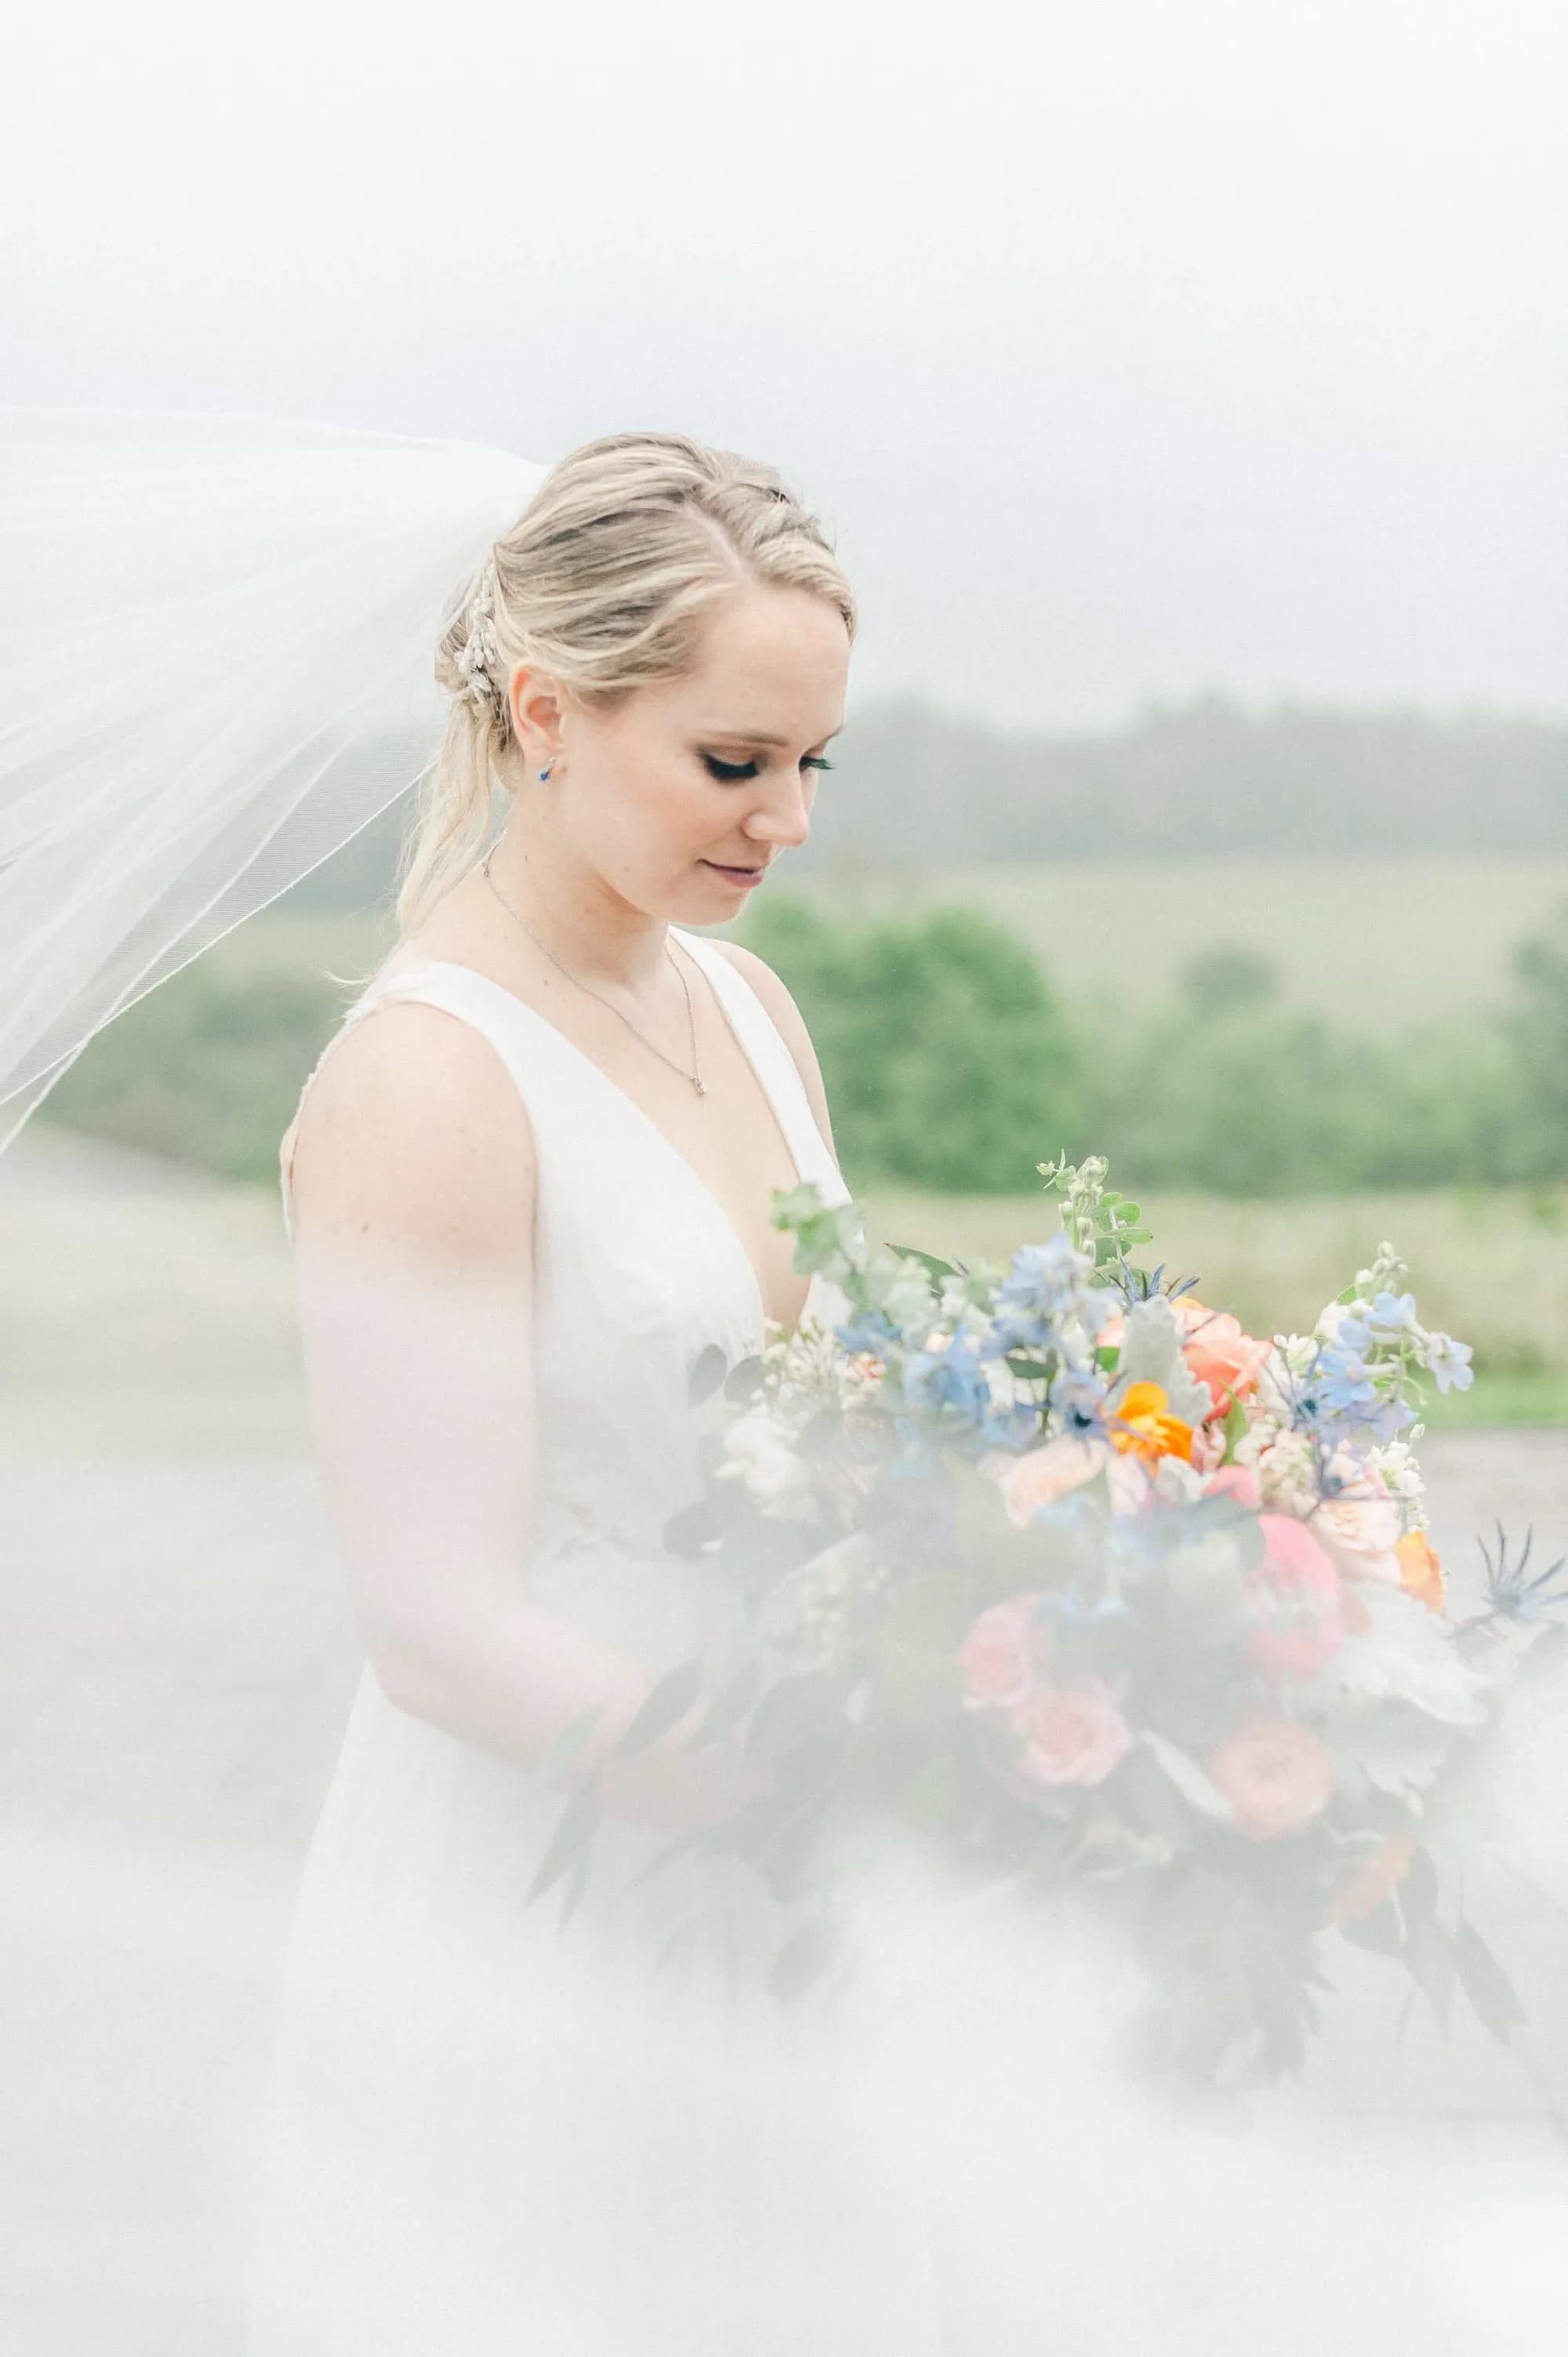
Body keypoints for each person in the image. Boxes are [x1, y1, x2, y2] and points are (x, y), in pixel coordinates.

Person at [246, 432, 950, 2354]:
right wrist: (819, 1793)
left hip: (787, 1887)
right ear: (546, 713)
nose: (786, 819)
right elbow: (438, 1629)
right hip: (548, 1889)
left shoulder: (748, 1008)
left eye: (813, 764)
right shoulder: (424, 1084)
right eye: (734, 762)